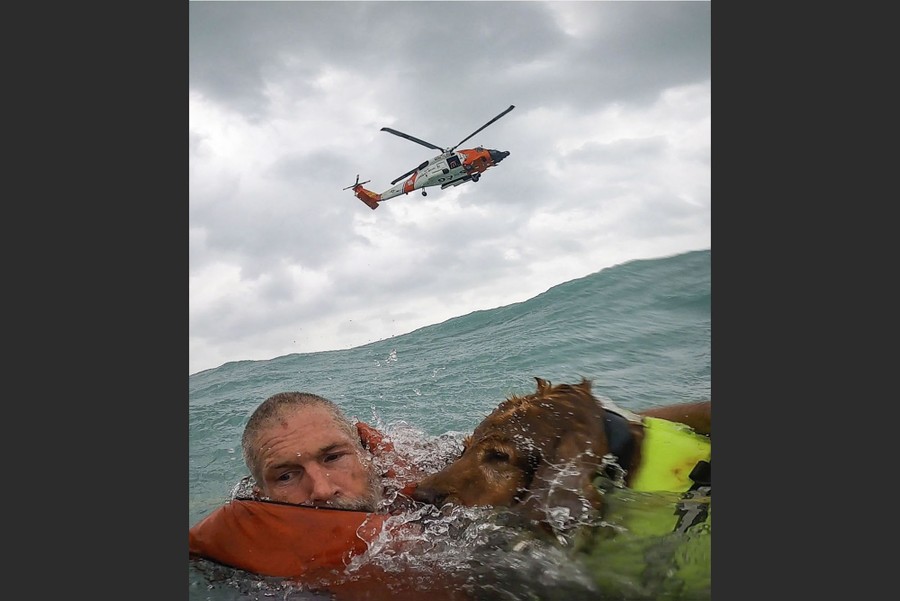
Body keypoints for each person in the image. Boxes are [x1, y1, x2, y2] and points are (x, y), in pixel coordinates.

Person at [189, 391, 421, 581]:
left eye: (333, 458)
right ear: (263, 496)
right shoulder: (248, 574)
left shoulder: (432, 487)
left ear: (367, 456)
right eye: (286, 476)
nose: (321, 490)